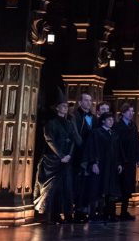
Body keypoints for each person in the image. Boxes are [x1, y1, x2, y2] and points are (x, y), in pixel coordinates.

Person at [34, 95, 82, 224]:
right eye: (63, 106)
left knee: (66, 188)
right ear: (57, 108)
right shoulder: (51, 123)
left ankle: (67, 214)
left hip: (66, 160)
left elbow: (74, 140)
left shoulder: (69, 123)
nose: (65, 108)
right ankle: (50, 216)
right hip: (52, 160)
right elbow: (50, 140)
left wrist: (69, 155)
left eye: (66, 106)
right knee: (51, 189)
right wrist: (61, 155)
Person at [83, 112, 122, 222]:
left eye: (112, 120)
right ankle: (93, 215)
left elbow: (117, 150)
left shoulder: (114, 134)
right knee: (97, 189)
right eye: (109, 119)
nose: (111, 121)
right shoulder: (96, 133)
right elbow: (91, 148)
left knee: (110, 189)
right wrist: (93, 163)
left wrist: (119, 163)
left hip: (111, 166)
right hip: (100, 165)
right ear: (103, 121)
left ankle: (109, 214)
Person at [113, 103, 139, 221]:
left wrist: (138, 158)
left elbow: (137, 142)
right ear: (123, 112)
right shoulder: (117, 126)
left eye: (132, 111)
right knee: (118, 186)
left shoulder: (133, 125)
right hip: (121, 160)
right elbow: (116, 145)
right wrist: (118, 161)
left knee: (128, 187)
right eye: (129, 111)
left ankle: (124, 211)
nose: (131, 113)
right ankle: (112, 212)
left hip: (130, 161)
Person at [71, 92, 96, 222]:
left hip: (89, 154)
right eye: (86, 100)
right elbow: (75, 134)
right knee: (77, 184)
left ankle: (83, 211)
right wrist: (83, 147)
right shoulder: (75, 116)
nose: (88, 103)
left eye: (90, 100)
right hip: (78, 153)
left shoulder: (93, 117)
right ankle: (76, 212)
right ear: (80, 102)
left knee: (86, 184)